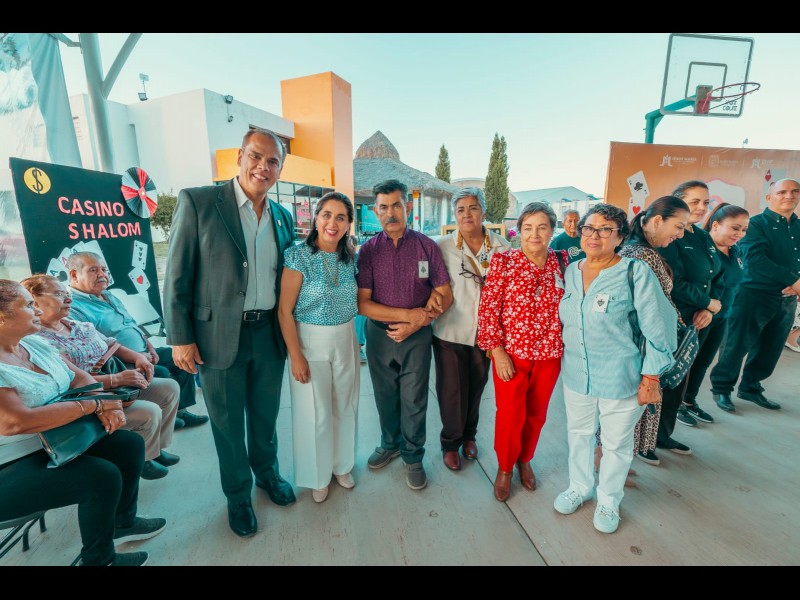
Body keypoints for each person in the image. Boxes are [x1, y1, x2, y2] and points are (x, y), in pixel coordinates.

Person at [163, 127, 296, 538]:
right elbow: (177, 275)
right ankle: (238, 496)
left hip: (268, 334)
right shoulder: (199, 202)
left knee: (265, 416)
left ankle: (267, 474)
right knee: (226, 423)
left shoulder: (282, 216)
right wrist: (180, 337)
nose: (263, 167)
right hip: (215, 337)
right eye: (256, 156)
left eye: (272, 161)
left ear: (280, 169)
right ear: (240, 156)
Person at [0, 280, 166, 566]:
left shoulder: (32, 343)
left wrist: (105, 402)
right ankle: (100, 560)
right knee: (101, 476)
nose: (37, 310)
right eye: (28, 305)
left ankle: (122, 523)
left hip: (55, 439)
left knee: (128, 445)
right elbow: (16, 422)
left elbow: (79, 377)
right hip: (11, 462)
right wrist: (93, 405)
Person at [554, 204, 676, 534]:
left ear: (620, 237)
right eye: (589, 228)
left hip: (622, 376)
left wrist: (651, 376)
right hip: (577, 374)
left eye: (605, 229)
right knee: (578, 435)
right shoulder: (571, 270)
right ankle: (580, 487)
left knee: (616, 444)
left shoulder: (635, 272)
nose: (594, 236)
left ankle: (608, 500)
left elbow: (657, 328)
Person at [22, 274, 181, 481]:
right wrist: (117, 379)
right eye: (59, 294)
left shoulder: (74, 324)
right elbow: (69, 380)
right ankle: (144, 459)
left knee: (168, 388)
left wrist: (139, 358)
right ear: (34, 299)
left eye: (67, 294)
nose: (68, 299)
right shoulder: (36, 340)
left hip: (112, 384)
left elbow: (112, 345)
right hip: (84, 395)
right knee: (148, 411)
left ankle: (155, 449)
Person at [357, 179, 452, 491]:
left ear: (407, 207)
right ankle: (390, 444)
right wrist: (408, 316)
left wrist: (419, 322)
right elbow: (363, 303)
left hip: (417, 337)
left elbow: (445, 294)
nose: (390, 213)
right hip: (379, 336)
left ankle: (413, 455)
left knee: (414, 398)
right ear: (376, 212)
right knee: (384, 396)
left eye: (396, 205)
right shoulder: (368, 251)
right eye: (383, 207)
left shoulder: (426, 246)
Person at [478, 202, 565, 501]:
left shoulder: (562, 263)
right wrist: (497, 351)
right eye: (528, 228)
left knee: (536, 414)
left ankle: (524, 459)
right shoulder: (504, 261)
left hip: (550, 353)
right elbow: (488, 309)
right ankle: (505, 467)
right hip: (512, 354)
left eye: (542, 227)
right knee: (510, 414)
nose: (534, 234)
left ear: (552, 230)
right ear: (519, 232)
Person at [278, 192, 360, 504]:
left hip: (346, 337)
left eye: (341, 217)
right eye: (326, 214)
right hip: (310, 340)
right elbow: (284, 311)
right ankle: (318, 475)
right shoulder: (298, 256)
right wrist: (295, 355)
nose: (332, 223)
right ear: (316, 217)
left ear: (348, 224)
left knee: (345, 405)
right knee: (317, 412)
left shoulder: (350, 257)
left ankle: (342, 466)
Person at [66, 252, 205, 431]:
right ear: (74, 275)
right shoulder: (73, 307)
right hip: (118, 361)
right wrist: (136, 356)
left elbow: (131, 324)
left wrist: (149, 346)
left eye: (104, 270)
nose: (102, 274)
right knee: (161, 372)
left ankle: (180, 411)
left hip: (144, 351)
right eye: (93, 270)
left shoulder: (109, 295)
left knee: (181, 359)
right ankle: (164, 418)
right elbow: (97, 345)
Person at [433, 188, 510, 472]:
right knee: (451, 391)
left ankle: (469, 436)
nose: (467, 214)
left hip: (486, 335)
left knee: (477, 388)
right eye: (461, 209)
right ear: (454, 214)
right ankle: (450, 443)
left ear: (483, 212)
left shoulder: (503, 247)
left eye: (473, 208)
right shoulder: (441, 246)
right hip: (450, 331)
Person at [710, 178, 800, 411]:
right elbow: (756, 260)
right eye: (782, 192)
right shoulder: (755, 224)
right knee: (736, 345)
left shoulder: (798, 226)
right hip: (753, 295)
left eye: (795, 191)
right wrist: (794, 281)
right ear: (769, 197)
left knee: (771, 347)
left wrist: (795, 286)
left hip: (787, 299)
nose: (789, 196)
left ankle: (750, 387)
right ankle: (722, 389)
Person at [616, 195, 690, 467]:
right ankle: (617, 463)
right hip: (645, 348)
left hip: (641, 345)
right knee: (633, 410)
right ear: (657, 220)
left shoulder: (634, 248)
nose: (680, 234)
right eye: (678, 226)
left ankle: (619, 461)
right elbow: (653, 311)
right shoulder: (642, 254)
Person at [655, 181, 722, 455]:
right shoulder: (671, 236)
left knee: (679, 381)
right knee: (659, 379)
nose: (702, 207)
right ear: (677, 201)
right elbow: (673, 280)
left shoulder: (702, 236)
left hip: (700, 319)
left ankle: (663, 435)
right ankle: (644, 441)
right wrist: (705, 302)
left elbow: (716, 275)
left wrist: (709, 308)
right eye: (695, 201)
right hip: (675, 318)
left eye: (706, 202)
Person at [681, 203, 749, 413]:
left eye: (744, 230)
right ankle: (676, 405)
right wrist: (708, 308)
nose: (740, 234)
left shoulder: (736, 251)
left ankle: (689, 401)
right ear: (716, 225)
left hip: (722, 315)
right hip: (700, 314)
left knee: (703, 362)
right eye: (735, 228)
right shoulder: (703, 249)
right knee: (687, 363)